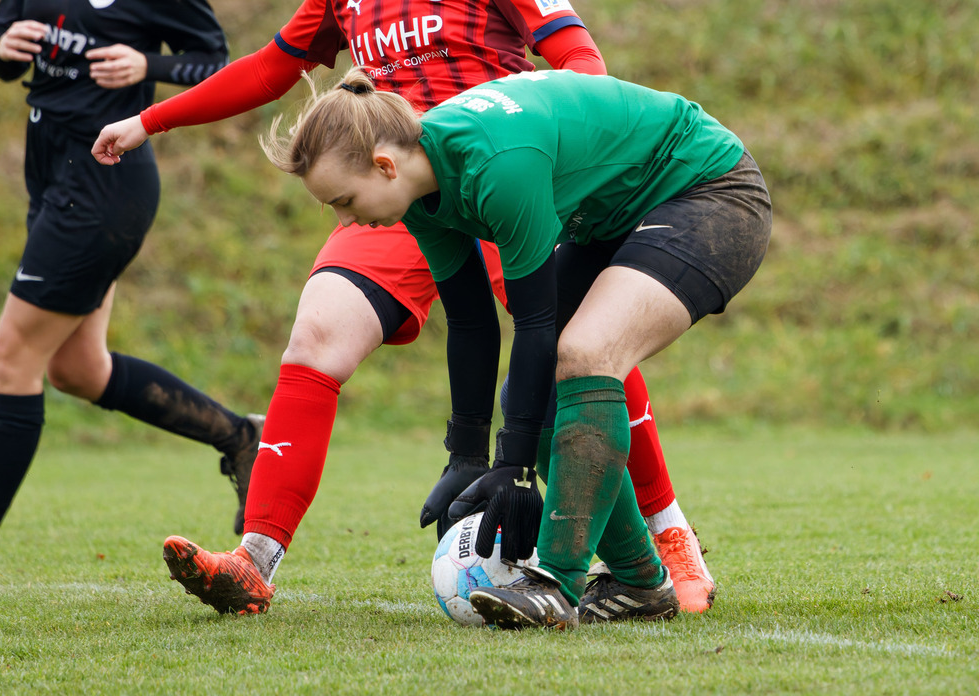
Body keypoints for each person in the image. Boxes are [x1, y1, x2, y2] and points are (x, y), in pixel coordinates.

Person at [91, 0, 713, 615]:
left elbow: (579, 64)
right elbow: (268, 71)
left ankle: (670, 541)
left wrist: (561, 163)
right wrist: (149, 120)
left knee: (584, 351)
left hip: (500, 188)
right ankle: (254, 559)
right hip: (393, 199)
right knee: (316, 332)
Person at [269, 65, 771, 629]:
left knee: (585, 351)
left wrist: (513, 465)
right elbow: (472, 322)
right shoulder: (421, 191)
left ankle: (556, 582)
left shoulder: (496, 165)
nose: (344, 220)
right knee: (528, 395)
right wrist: (467, 456)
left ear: (384, 166)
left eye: (343, 200)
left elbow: (535, 322)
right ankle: (639, 581)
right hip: (616, 219)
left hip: (709, 190)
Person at [0, 0, 263, 569]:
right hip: (46, 167)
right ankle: (239, 436)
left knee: (12, 358)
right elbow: (0, 51)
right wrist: (10, 47)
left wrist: (149, 67)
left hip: (105, 178)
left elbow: (215, 65)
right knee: (77, 369)